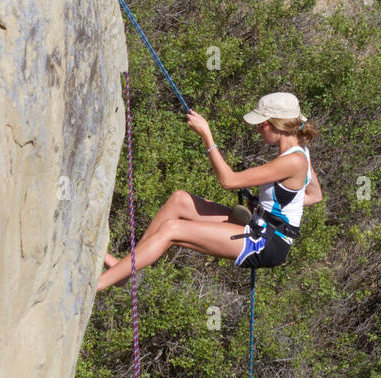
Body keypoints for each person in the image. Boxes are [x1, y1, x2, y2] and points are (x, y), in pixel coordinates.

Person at [97, 91, 323, 290]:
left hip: (266, 243)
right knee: (180, 200)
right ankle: (124, 270)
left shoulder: (293, 161)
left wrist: (207, 135)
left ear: (273, 124)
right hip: (262, 226)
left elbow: (228, 180)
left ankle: (100, 284)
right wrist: (269, 206)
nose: (257, 129)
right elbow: (314, 195)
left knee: (172, 230)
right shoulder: (301, 150)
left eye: (261, 124)